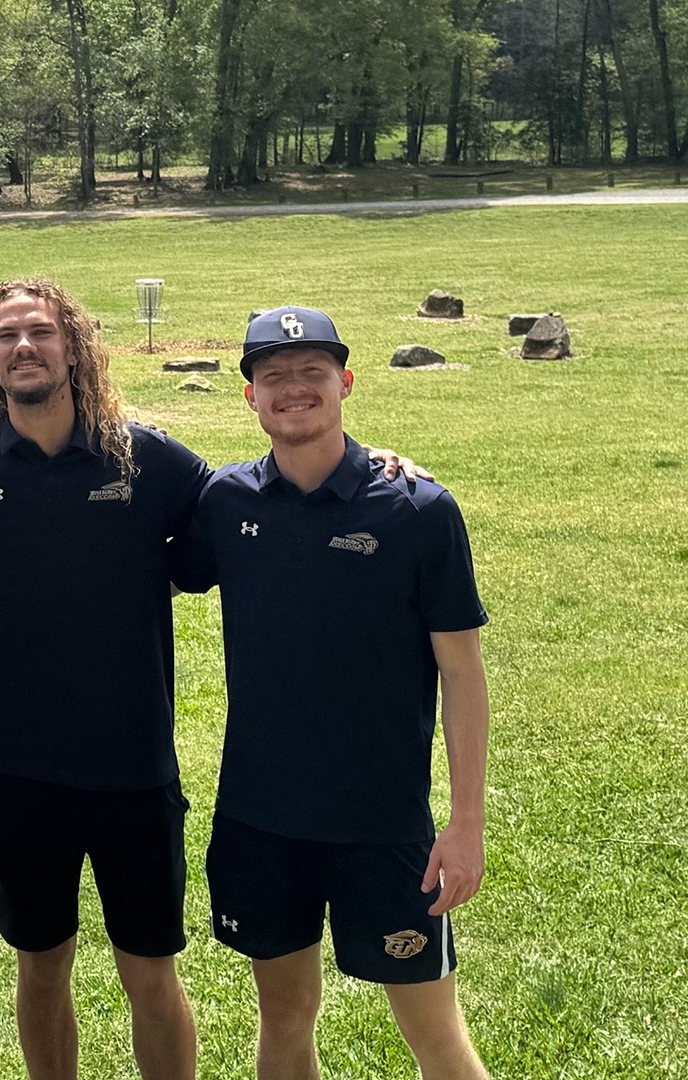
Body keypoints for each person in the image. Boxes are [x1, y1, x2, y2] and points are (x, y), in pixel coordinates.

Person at [0, 278, 425, 1080]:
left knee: (149, 973)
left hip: (133, 775)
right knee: (40, 967)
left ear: (73, 346)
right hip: (16, 771)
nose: (23, 348)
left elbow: (271, 492)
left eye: (39, 332)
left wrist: (376, 462)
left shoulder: (148, 461)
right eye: (5, 337)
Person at [171, 306, 490, 1080]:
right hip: (260, 819)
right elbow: (125, 565)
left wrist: (467, 823)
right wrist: (10, 589)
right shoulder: (226, 502)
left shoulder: (418, 510)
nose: (293, 389)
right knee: (284, 1015)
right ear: (250, 397)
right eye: (273, 376)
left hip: (381, 827)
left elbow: (462, 672)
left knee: (437, 1037)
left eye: (311, 372)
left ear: (345, 382)